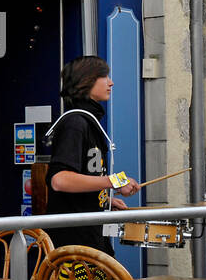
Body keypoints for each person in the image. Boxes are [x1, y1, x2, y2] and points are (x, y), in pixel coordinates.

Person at [45, 58, 139, 255]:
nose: (111, 82)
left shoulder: (88, 122)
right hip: (73, 243)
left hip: (92, 238)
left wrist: (103, 200)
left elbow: (83, 177)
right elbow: (60, 180)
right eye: (104, 76)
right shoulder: (75, 123)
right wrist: (114, 181)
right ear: (86, 80)